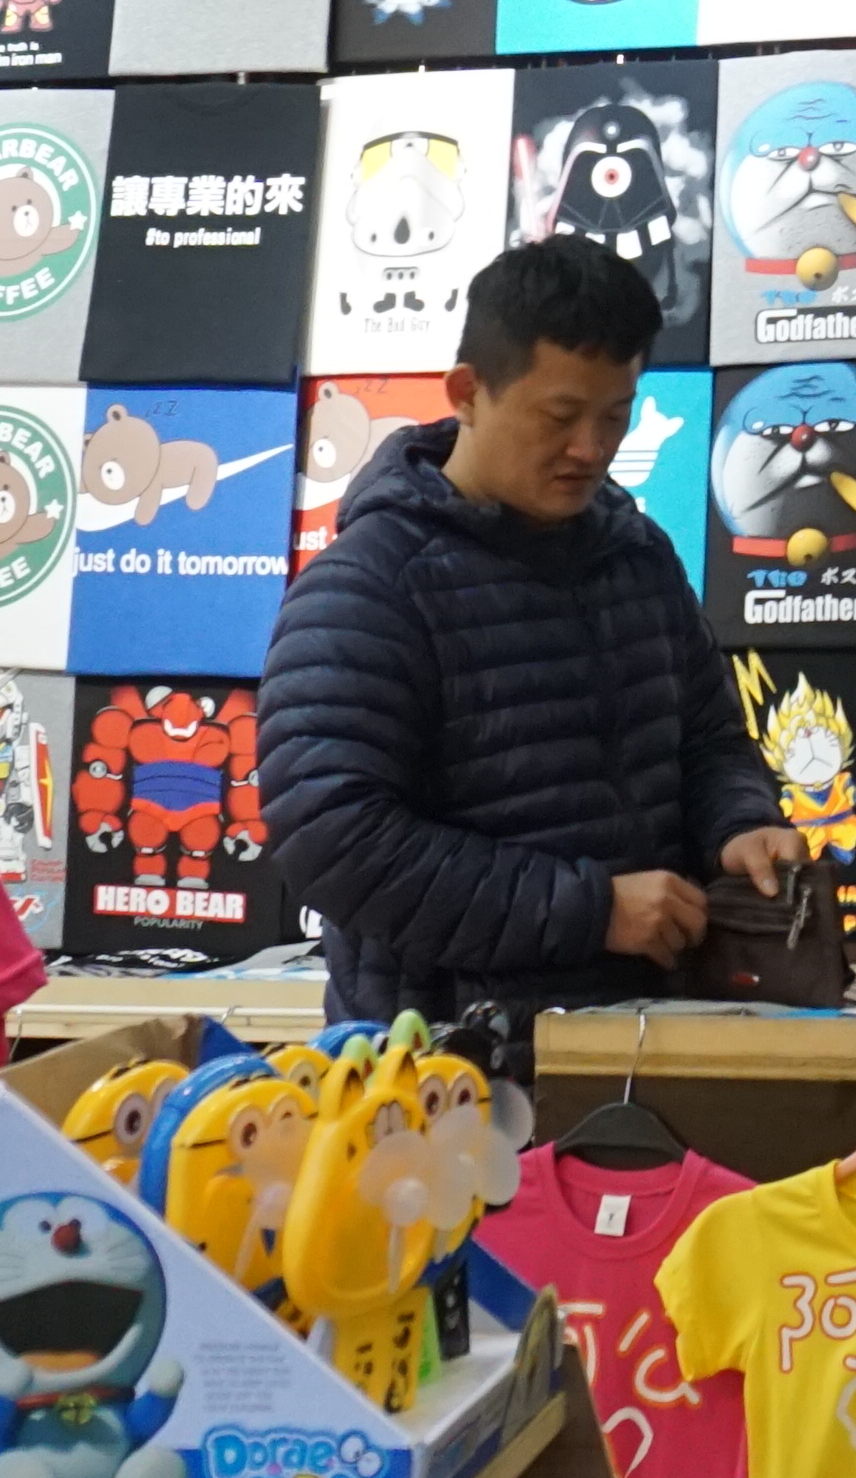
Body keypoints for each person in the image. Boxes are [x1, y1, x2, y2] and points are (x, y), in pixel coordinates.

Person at [259, 235, 798, 1017]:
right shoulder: (369, 585)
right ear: (467, 392)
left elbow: (710, 740)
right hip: (444, 1057)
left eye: (616, 416)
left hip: (650, 1034)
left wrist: (740, 824)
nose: (591, 449)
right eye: (560, 416)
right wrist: (590, 911)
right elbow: (333, 839)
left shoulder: (637, 555)